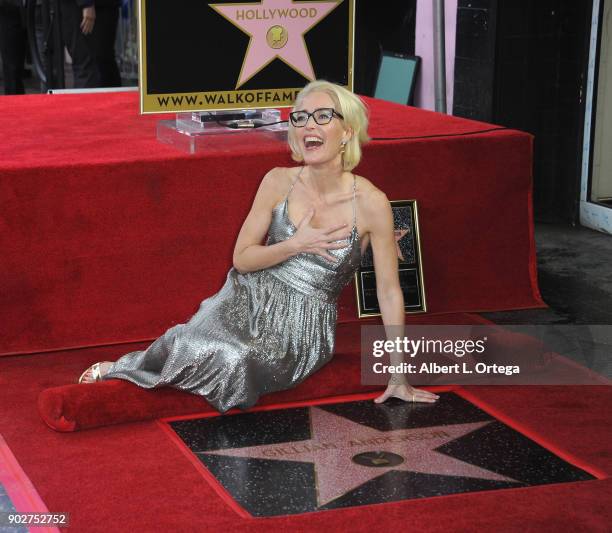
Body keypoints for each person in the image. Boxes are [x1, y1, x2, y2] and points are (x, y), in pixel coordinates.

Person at [78, 80, 439, 411]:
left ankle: (162, 366)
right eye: (300, 117)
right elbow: (243, 259)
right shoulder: (277, 181)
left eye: (323, 116)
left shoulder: (372, 203)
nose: (308, 125)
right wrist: (295, 244)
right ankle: (128, 366)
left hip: (302, 325)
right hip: (245, 296)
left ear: (347, 132)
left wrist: (398, 375)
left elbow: (389, 293)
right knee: (190, 339)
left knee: (237, 359)